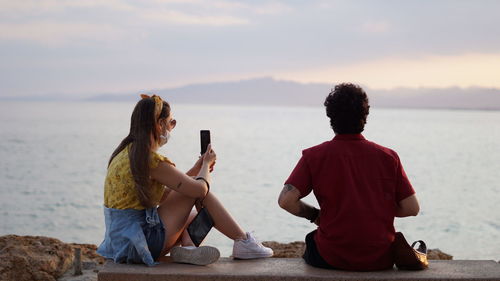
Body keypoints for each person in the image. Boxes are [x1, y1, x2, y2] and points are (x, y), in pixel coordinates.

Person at [97, 94, 273, 266]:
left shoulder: (124, 154)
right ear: (159, 125)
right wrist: (206, 165)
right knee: (200, 190)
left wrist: (198, 167)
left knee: (196, 215)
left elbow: (167, 195)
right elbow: (199, 190)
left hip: (122, 244)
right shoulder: (150, 160)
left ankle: (188, 247)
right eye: (171, 122)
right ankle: (243, 241)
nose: (172, 127)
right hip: (143, 244)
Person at [278, 83, 420, 271]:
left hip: (331, 256)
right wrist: (375, 207)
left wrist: (315, 215)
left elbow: (286, 201)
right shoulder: (388, 157)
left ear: (330, 115)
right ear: (366, 115)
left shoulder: (315, 156)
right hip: (380, 258)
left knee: (311, 240)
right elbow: (411, 208)